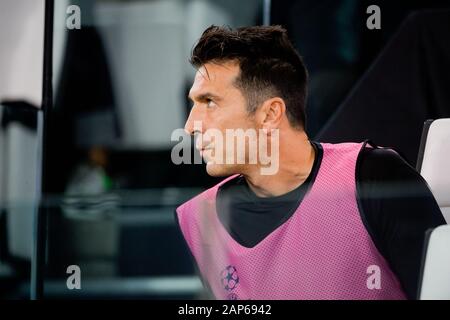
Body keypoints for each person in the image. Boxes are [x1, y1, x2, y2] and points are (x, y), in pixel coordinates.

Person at [175, 25, 446, 300]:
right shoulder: (197, 220)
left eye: (209, 102)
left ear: (270, 114)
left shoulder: (374, 177)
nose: (190, 125)